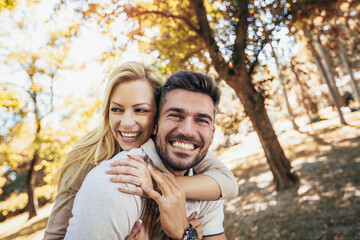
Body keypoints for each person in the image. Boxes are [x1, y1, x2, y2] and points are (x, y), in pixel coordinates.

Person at [43, 62, 237, 239]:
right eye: (117, 109)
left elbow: (229, 184)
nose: (127, 123)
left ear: (156, 117)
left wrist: (154, 183)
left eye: (141, 110)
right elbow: (54, 234)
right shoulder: (90, 164)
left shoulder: (184, 149)